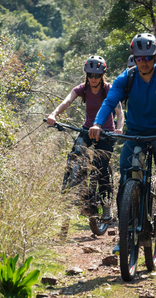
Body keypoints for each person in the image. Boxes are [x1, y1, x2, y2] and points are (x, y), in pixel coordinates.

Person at [88, 33, 156, 236]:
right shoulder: (126, 78)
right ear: (133, 57)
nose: (143, 62)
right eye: (139, 58)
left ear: (155, 55)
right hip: (135, 132)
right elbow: (109, 103)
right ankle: (126, 230)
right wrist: (98, 123)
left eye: (148, 57)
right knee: (125, 172)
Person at [47, 55, 123, 222]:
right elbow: (67, 101)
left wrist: (119, 129)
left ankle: (106, 205)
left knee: (101, 167)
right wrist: (53, 114)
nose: (93, 78)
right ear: (86, 74)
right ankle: (72, 194)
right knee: (75, 155)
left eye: (97, 75)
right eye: (90, 75)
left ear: (103, 75)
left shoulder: (108, 89)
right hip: (87, 130)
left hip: (106, 133)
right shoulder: (82, 89)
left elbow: (119, 112)